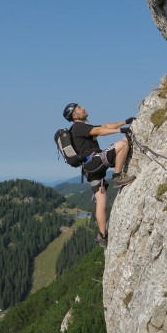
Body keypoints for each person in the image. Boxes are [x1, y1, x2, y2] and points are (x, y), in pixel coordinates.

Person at [63, 102, 136, 247]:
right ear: (74, 115)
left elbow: (104, 126)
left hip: (90, 168)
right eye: (79, 108)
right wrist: (122, 130)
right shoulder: (79, 127)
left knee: (101, 201)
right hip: (95, 162)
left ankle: (102, 234)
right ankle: (117, 176)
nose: (83, 108)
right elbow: (99, 131)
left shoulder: (80, 127)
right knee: (123, 144)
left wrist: (125, 122)